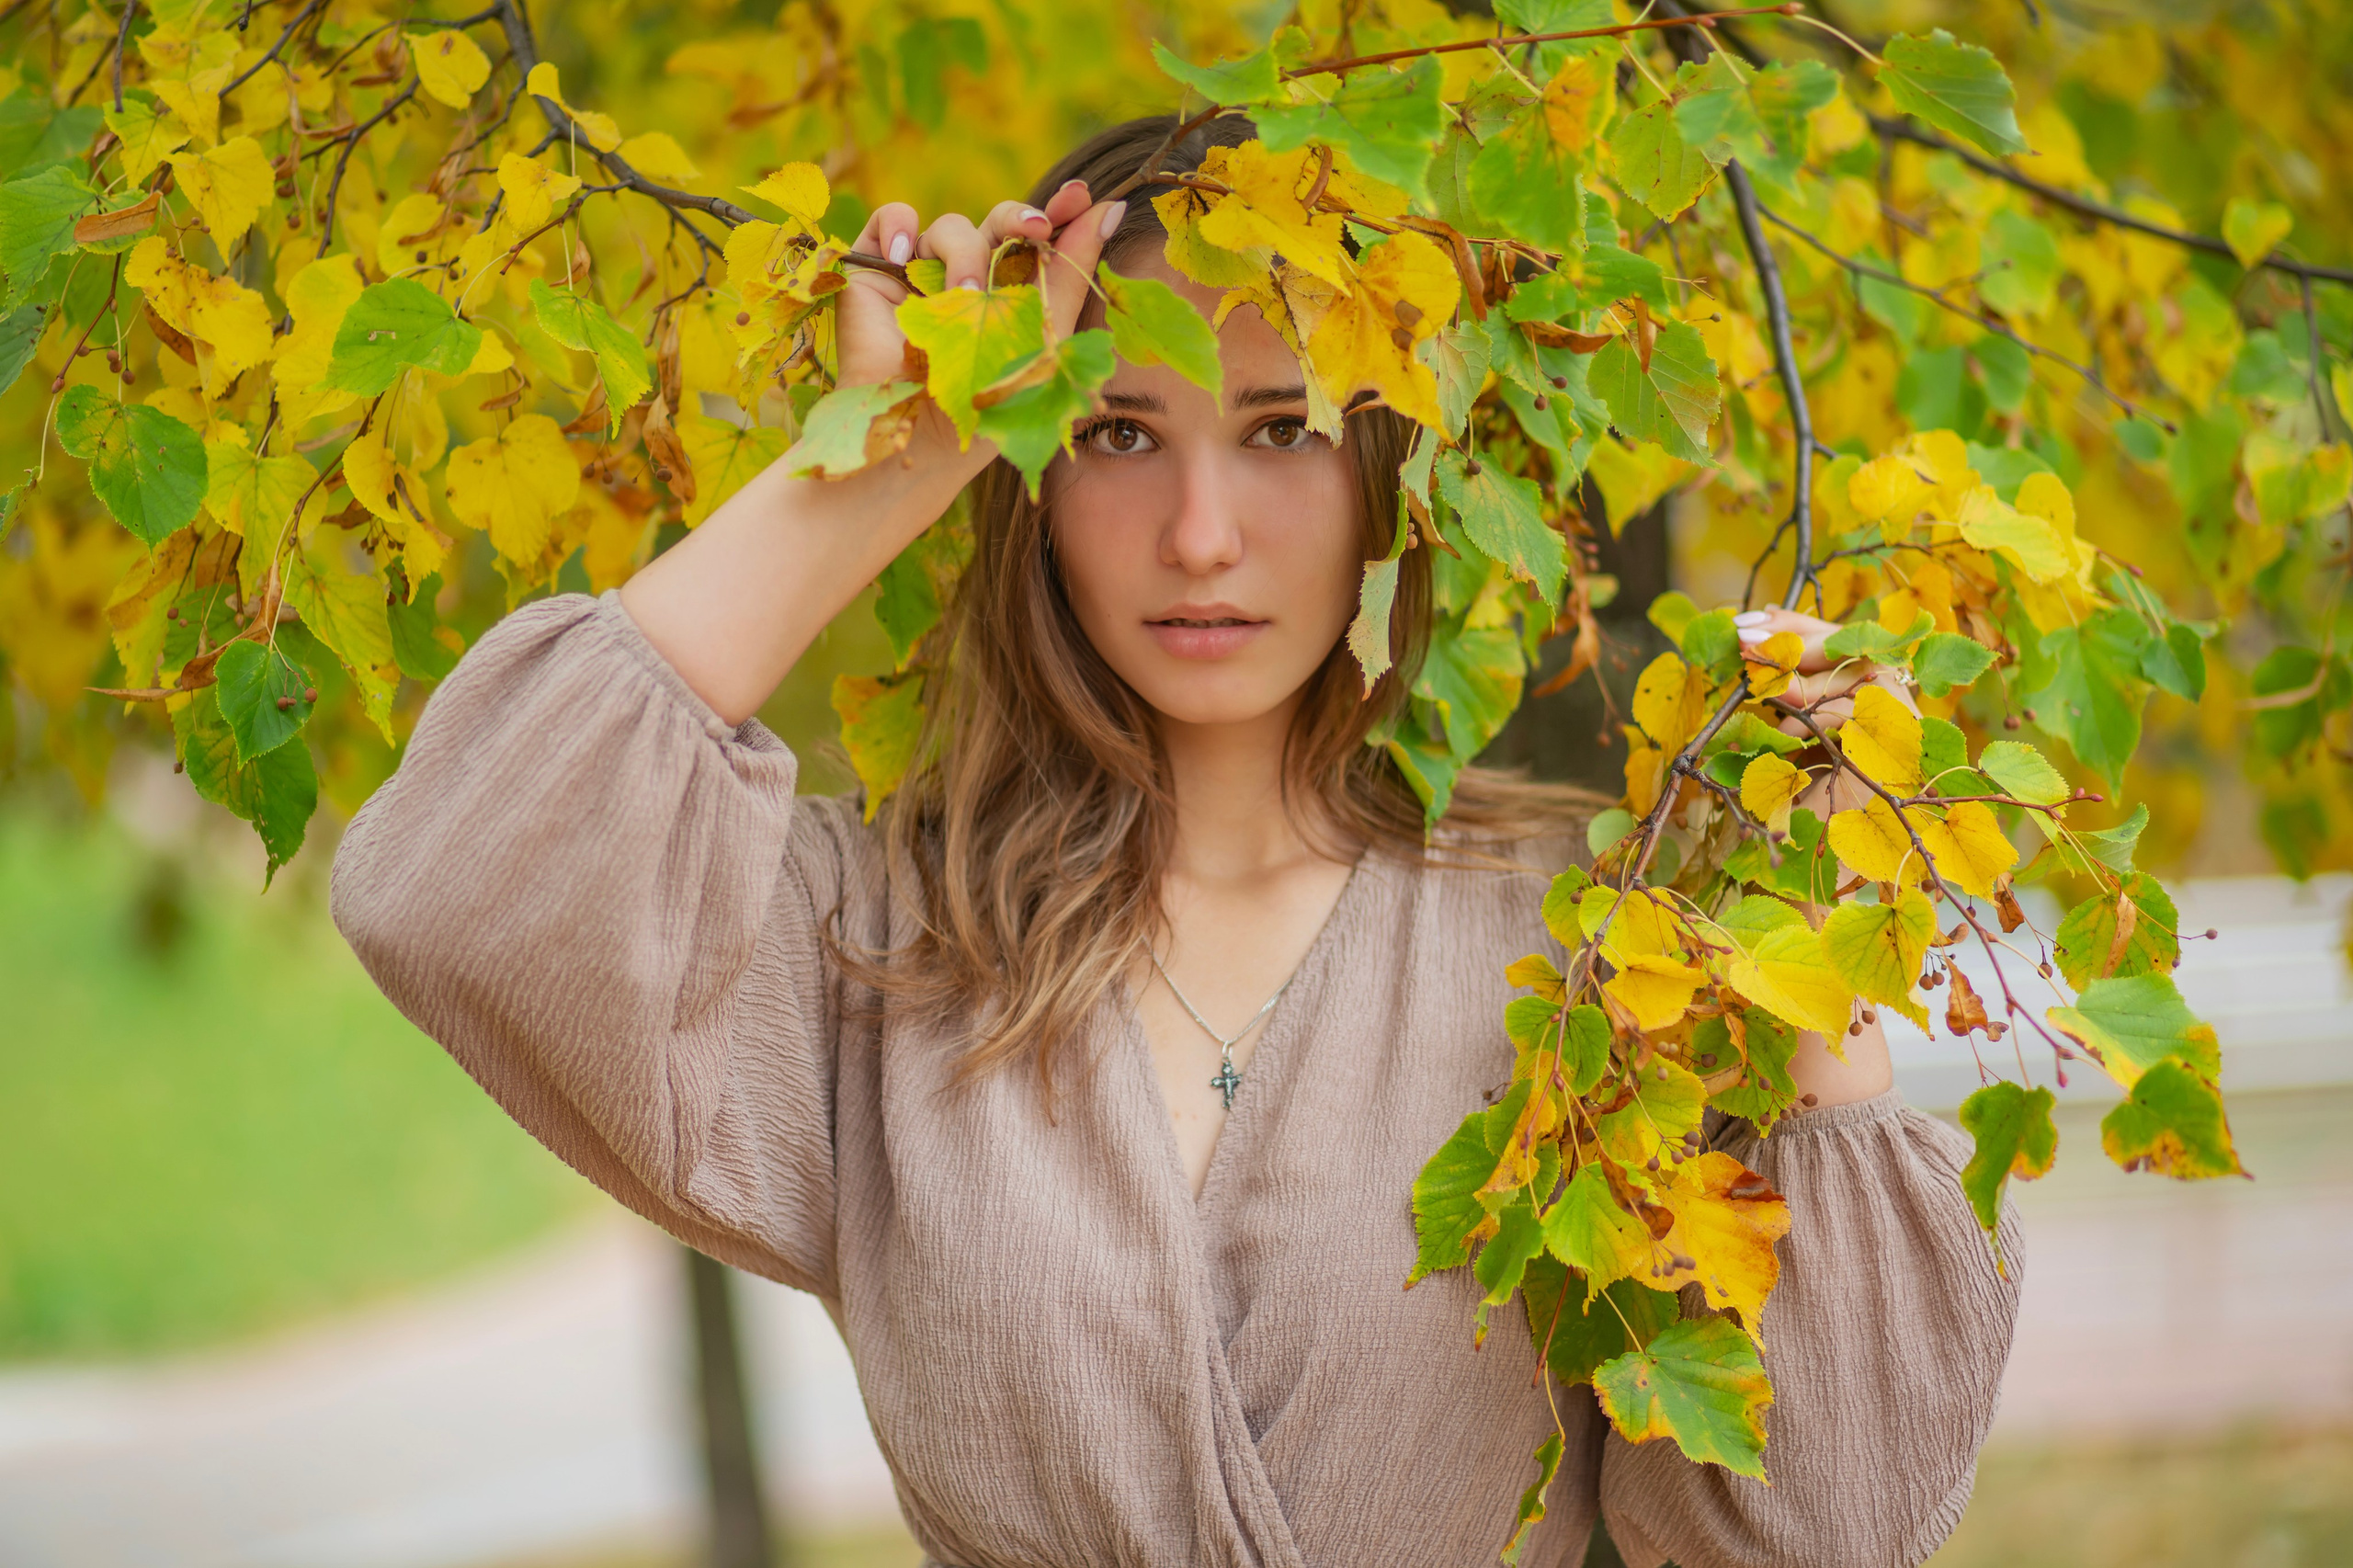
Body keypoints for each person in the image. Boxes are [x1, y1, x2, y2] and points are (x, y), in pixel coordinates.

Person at [332, 114, 2019, 1568]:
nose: (1200, 535)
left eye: (1283, 431)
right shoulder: (882, 950)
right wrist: (885, 457)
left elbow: (1817, 1527)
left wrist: (1807, 948)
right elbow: (463, 890)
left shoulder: (1598, 945)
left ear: (1385, 480)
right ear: (1030, 478)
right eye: (1115, 435)